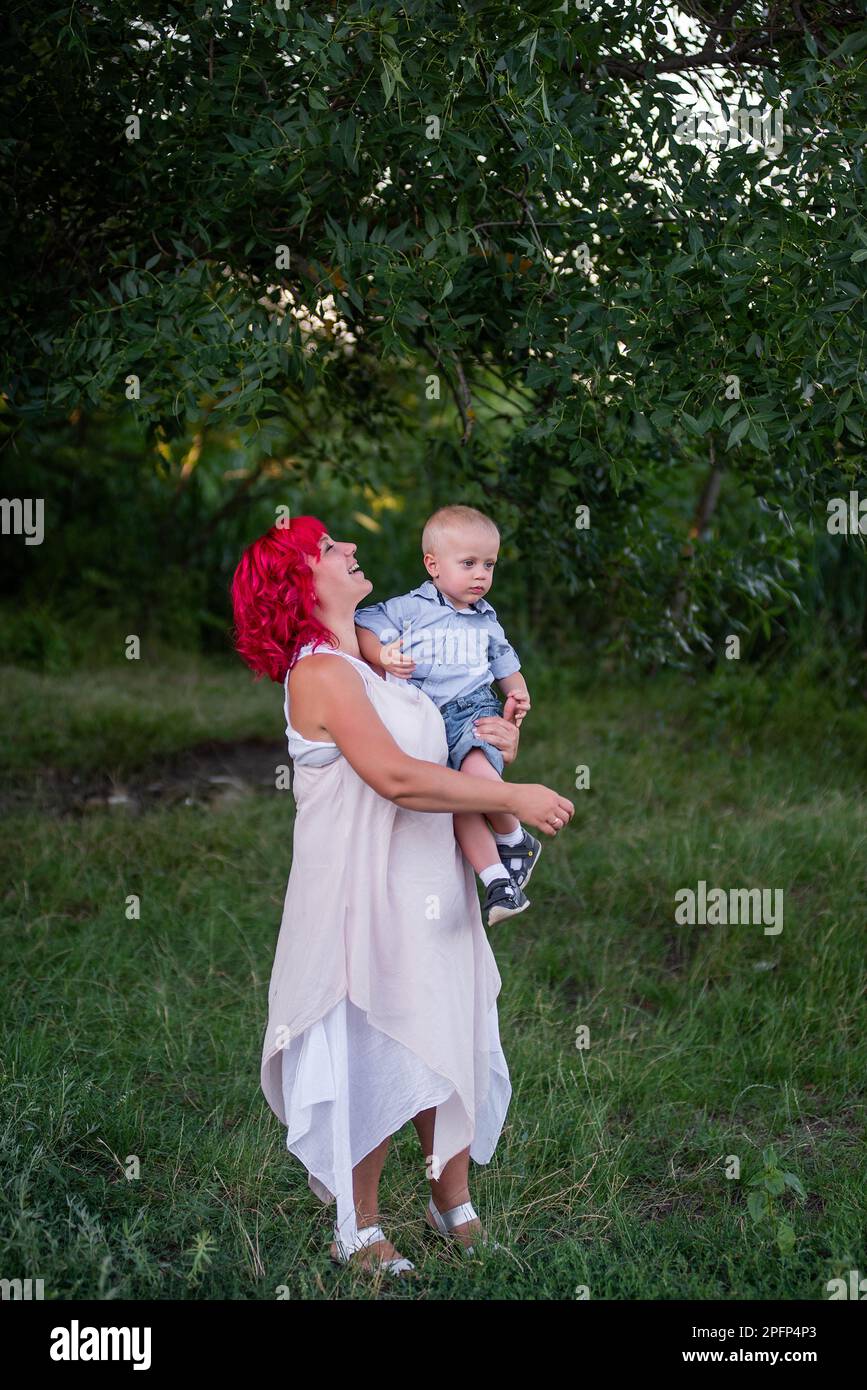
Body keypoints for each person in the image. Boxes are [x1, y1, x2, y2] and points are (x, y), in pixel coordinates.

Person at [230, 514, 574, 1277]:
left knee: (445, 1025)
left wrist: (497, 742)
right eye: (327, 550)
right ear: (298, 584)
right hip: (362, 887)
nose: (349, 550)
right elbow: (395, 776)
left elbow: (442, 737)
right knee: (376, 1041)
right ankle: (356, 1224)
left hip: (425, 876)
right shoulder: (321, 672)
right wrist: (513, 797)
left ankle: (450, 1200)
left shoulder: (381, 658)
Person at [354, 503, 541, 928]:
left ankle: (513, 838)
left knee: (476, 774)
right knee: (459, 804)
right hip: (428, 721)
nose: (481, 575)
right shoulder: (410, 608)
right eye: (469, 563)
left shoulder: (487, 621)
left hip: (474, 712)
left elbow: (506, 666)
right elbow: (365, 623)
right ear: (433, 565)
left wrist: (518, 697)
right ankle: (498, 880)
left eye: (489, 565)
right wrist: (382, 652)